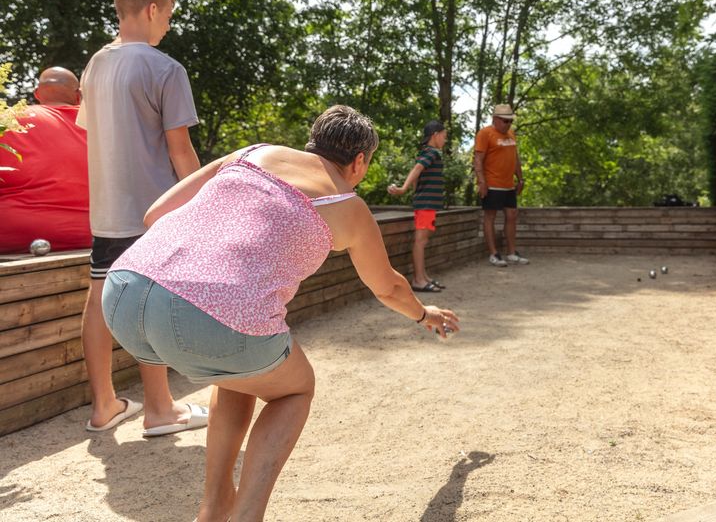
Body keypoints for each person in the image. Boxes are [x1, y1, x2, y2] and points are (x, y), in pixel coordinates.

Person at [102, 105, 460, 522]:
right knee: (295, 388)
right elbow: (390, 287)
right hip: (207, 318)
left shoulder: (252, 152)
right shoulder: (347, 202)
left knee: (240, 374)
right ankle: (246, 515)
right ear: (359, 161)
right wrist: (424, 314)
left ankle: (214, 509)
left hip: (124, 291)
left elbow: (154, 215)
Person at [77, 0, 207, 435]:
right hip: (152, 208)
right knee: (146, 305)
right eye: (168, 17)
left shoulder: (94, 66)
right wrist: (203, 205)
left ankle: (104, 406)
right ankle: (159, 410)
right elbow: (179, 149)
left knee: (99, 301)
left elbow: (96, 136)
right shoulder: (164, 68)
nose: (167, 27)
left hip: (105, 210)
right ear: (151, 9)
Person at [0, 67, 91, 253]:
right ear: (78, 96)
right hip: (90, 238)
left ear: (37, 94)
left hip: (13, 238)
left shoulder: (9, 121)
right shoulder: (102, 125)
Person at [387, 120, 447, 292]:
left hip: (427, 204)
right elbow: (417, 169)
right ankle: (418, 280)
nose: (445, 140)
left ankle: (423, 276)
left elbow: (420, 176)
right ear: (435, 135)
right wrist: (403, 189)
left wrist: (414, 192)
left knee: (424, 240)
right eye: (444, 136)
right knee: (420, 241)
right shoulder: (431, 153)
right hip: (426, 204)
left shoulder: (428, 152)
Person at [474, 103, 529, 267]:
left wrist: (520, 179)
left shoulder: (511, 134)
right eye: (505, 121)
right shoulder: (485, 134)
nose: (508, 124)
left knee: (512, 215)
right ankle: (494, 254)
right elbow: (477, 159)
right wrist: (482, 182)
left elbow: (515, 157)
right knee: (490, 216)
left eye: (510, 121)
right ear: (496, 119)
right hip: (492, 183)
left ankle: (511, 253)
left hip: (508, 185)